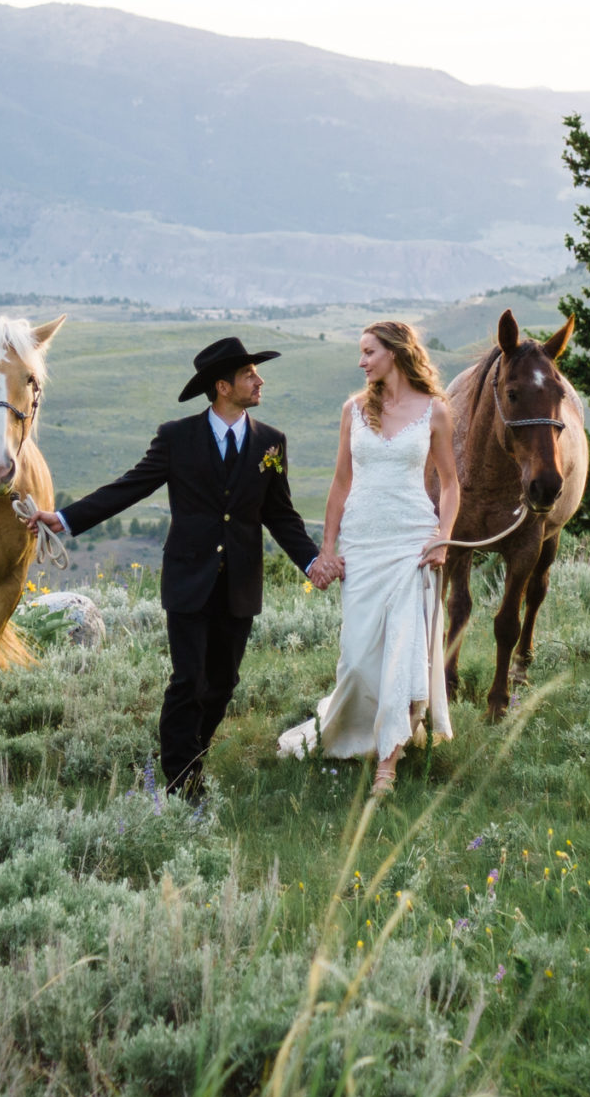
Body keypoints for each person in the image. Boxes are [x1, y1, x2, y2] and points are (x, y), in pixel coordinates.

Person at [29, 335, 322, 797]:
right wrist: (64, 519)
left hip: (241, 585)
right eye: (249, 374)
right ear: (223, 386)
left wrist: (312, 561)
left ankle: (191, 758)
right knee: (189, 680)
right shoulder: (177, 437)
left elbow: (281, 515)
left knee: (223, 683)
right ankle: (183, 782)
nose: (259, 380)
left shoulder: (271, 442)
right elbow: (130, 487)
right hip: (189, 580)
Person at [278, 321, 460, 796]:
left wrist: (443, 537)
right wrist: (328, 547)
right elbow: (341, 483)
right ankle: (351, 731)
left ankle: (388, 763)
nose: (361, 362)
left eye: (368, 352)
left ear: (395, 353)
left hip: (411, 544)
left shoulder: (435, 411)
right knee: (359, 661)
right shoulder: (354, 410)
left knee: (403, 651)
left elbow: (451, 483)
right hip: (362, 543)